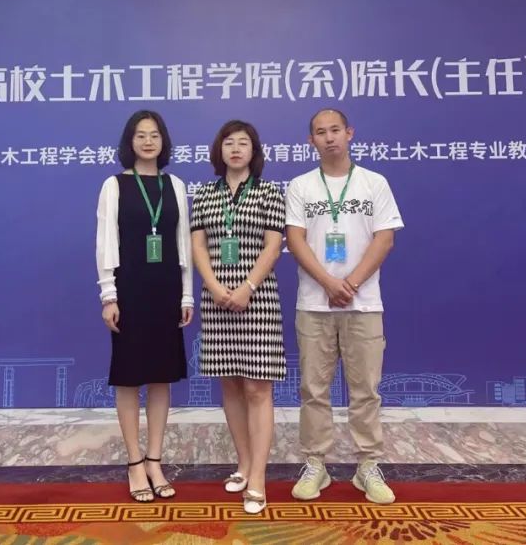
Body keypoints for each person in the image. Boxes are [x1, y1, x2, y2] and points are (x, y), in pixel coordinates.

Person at [284, 108, 403, 504]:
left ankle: (367, 464)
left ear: (349, 133)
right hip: (314, 304)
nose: (329, 137)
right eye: (320, 132)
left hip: (363, 303)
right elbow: (295, 240)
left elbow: (384, 239)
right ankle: (315, 463)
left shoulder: (374, 182)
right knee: (313, 389)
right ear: (311, 141)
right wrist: (328, 283)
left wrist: (349, 284)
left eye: (335, 130)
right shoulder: (300, 186)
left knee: (365, 389)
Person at [95, 110, 194, 503]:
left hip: (166, 289)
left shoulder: (175, 185)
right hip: (130, 290)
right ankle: (134, 463)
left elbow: (184, 244)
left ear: (163, 140)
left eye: (154, 135)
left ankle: (155, 460)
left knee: (161, 377)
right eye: (141, 135)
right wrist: (109, 294)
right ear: (130, 142)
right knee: (129, 377)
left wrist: (186, 294)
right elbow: (106, 242)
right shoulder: (114, 185)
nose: (148, 141)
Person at [191, 119, 287, 515]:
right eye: (228, 142)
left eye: (243, 143)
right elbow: (198, 246)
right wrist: (214, 286)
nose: (235, 149)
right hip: (216, 300)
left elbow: (273, 245)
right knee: (230, 385)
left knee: (257, 389)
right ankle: (244, 465)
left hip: (257, 299)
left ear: (254, 151)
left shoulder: (268, 192)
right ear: (219, 150)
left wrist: (247, 286)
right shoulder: (203, 194)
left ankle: (259, 478)